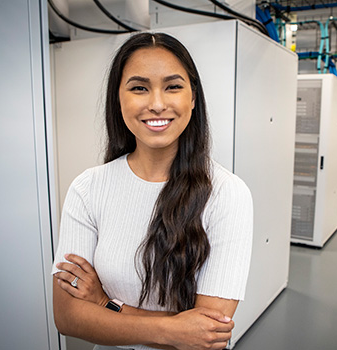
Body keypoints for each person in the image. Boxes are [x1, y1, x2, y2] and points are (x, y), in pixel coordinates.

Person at [51, 32, 253, 350]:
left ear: (193, 97)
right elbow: (67, 317)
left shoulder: (227, 194)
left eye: (173, 86)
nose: (157, 104)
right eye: (139, 88)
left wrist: (106, 304)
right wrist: (174, 329)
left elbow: (206, 336)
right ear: (118, 98)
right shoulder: (87, 189)